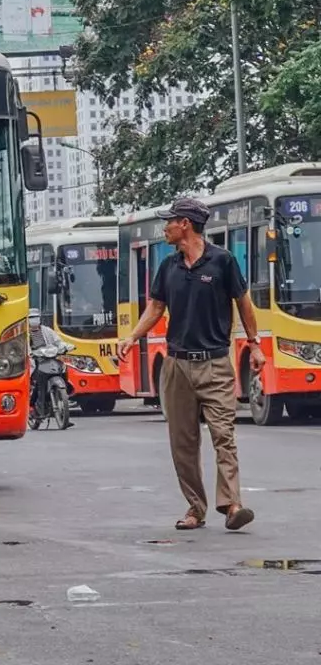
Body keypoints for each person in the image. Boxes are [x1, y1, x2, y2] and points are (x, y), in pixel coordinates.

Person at [118, 197, 263, 532]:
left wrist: (254, 346)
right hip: (177, 366)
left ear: (185, 224)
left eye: (169, 221)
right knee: (182, 442)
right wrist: (131, 337)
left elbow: (244, 303)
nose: (165, 227)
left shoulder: (222, 261)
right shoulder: (168, 267)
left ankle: (232, 505)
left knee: (223, 435)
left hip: (215, 364)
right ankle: (195, 508)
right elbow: (155, 308)